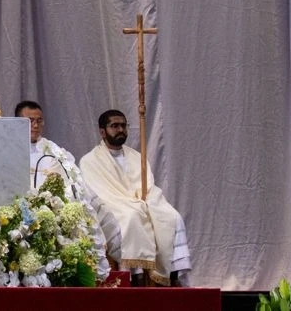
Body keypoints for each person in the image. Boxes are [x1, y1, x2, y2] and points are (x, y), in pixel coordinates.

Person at [78, 109, 192, 285]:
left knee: (173, 217)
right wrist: (130, 204)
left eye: (123, 125)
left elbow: (149, 187)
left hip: (142, 203)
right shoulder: (89, 160)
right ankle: (135, 278)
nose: (120, 129)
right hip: (114, 208)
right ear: (102, 131)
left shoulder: (137, 157)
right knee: (131, 218)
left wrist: (144, 201)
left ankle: (172, 276)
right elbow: (97, 194)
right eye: (114, 126)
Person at [15, 99, 110, 281]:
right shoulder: (8, 148)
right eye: (29, 121)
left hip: (52, 206)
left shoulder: (53, 150)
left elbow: (71, 182)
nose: (35, 125)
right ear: (18, 122)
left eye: (39, 121)